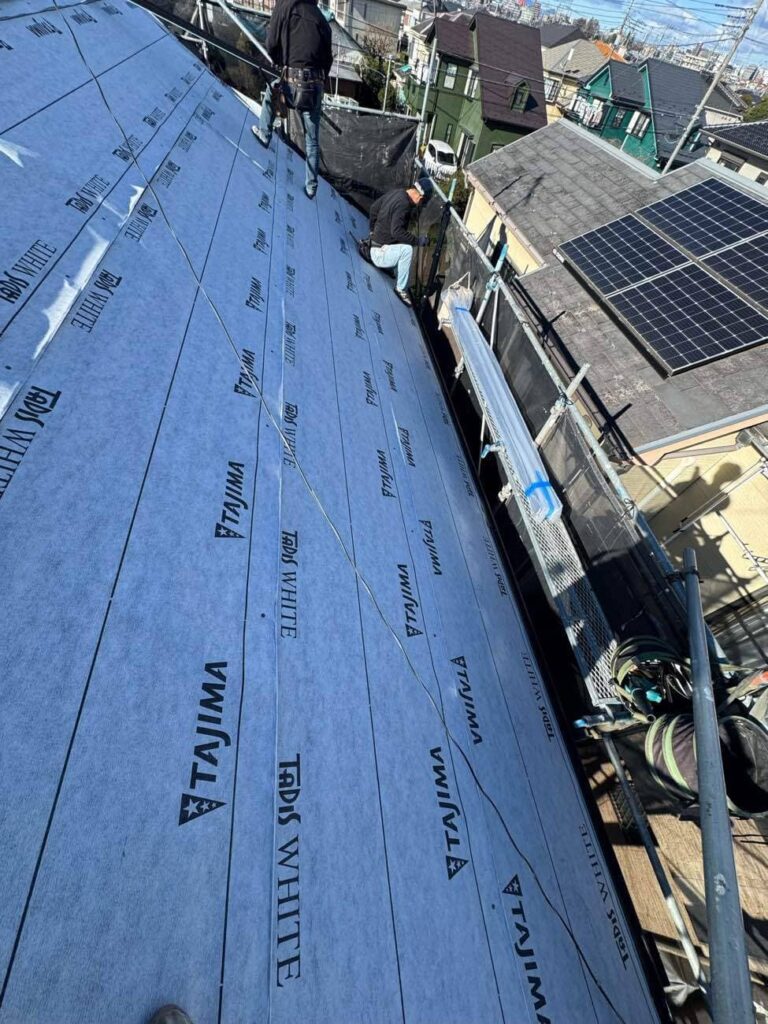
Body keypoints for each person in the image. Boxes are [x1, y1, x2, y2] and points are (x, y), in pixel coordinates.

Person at [251, 0, 332, 199]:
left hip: (291, 81)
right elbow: (327, 60)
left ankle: (264, 134)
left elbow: (271, 43)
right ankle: (311, 187)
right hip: (314, 86)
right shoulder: (322, 20)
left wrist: (281, 63)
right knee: (312, 139)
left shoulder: (286, 5)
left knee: (272, 92)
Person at [367, 178, 433, 306]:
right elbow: (396, 232)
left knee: (403, 241)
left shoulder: (397, 192)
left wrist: (372, 232)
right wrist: (418, 241)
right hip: (379, 254)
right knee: (407, 249)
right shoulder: (404, 205)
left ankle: (388, 266)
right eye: (422, 202)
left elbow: (374, 208)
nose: (420, 205)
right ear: (420, 197)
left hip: (374, 245)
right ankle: (400, 289)